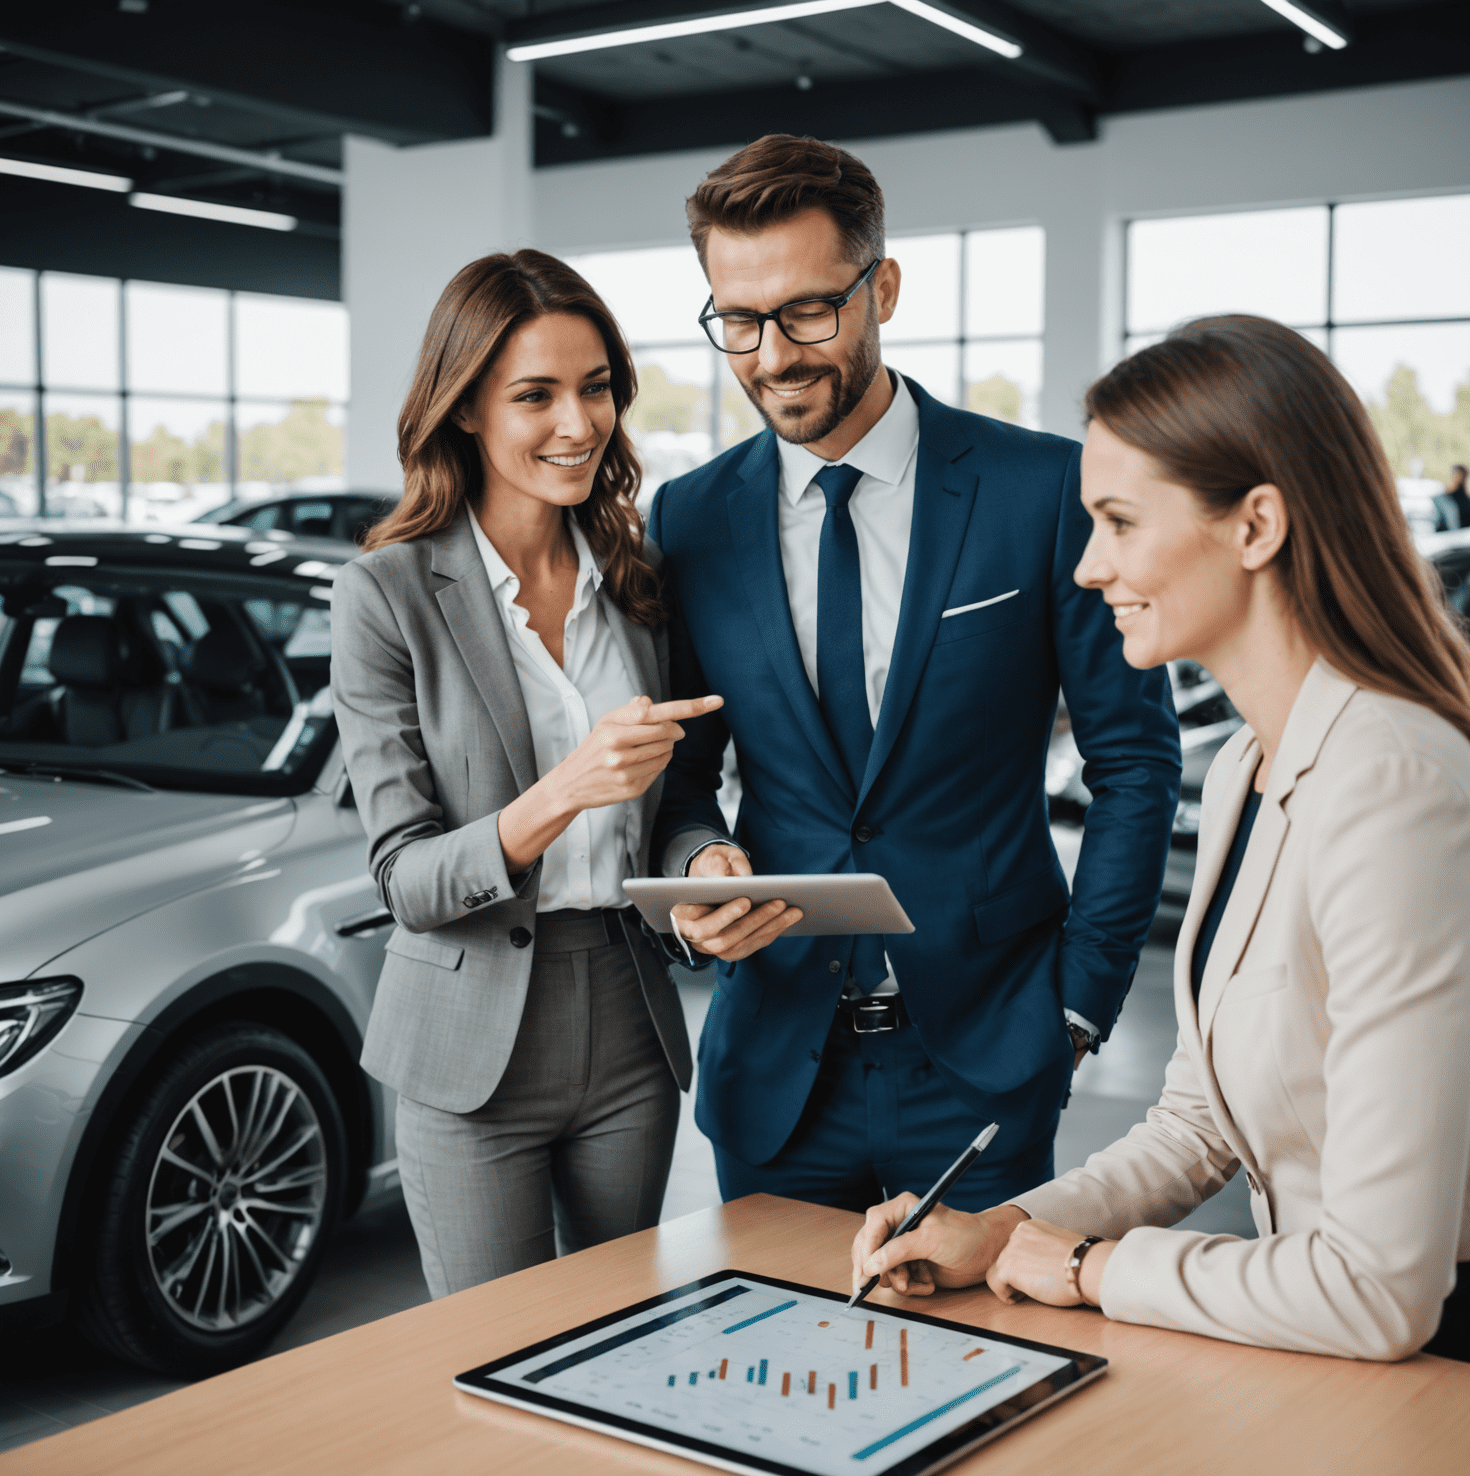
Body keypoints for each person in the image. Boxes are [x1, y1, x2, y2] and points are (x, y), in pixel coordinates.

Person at [848, 315, 1470, 1376]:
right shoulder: (1244, 772)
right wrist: (999, 1230)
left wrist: (1088, 1268)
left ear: (1256, 524)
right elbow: (1199, 1120)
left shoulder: (1393, 787)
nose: (1085, 569)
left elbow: (1378, 1291)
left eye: (1119, 523)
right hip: (1318, 1339)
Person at [649, 135, 1183, 1212]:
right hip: (773, 1067)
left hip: (987, 1055)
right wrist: (697, 863)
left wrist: (1078, 1004)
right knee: (776, 1375)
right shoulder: (690, 517)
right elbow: (682, 770)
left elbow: (1134, 760)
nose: (772, 356)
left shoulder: (1039, 488)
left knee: (988, 1373)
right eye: (738, 321)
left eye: (808, 311)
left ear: (881, 285)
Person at [331, 251, 722, 1298]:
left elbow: (674, 798)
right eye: (536, 395)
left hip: (629, 1016)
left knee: (612, 1342)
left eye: (596, 387)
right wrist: (563, 793)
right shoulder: (385, 595)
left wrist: (706, 860)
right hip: (471, 1041)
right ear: (464, 410)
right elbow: (406, 881)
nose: (578, 423)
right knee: (491, 1357)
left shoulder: (637, 580)